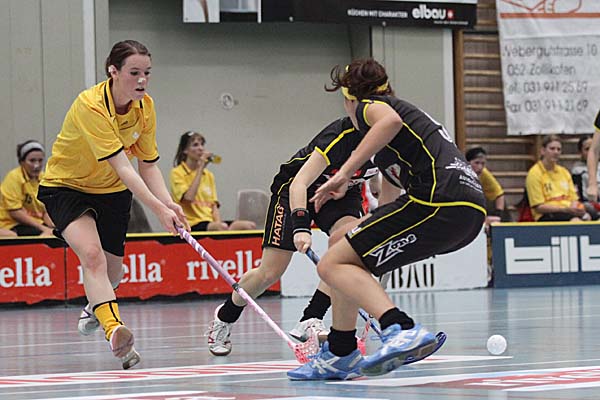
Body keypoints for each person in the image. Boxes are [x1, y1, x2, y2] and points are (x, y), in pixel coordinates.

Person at [287, 58, 486, 380]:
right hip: (465, 211)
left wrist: (345, 173)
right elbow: (388, 206)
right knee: (342, 247)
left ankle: (400, 328)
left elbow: (388, 121)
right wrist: (360, 234)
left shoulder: (372, 107)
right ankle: (340, 352)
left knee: (330, 265)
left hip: (439, 200)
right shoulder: (393, 149)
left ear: (349, 99)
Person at [37, 40, 188, 369]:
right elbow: (123, 166)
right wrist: (158, 210)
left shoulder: (145, 107)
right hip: (67, 187)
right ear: (113, 71)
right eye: (134, 72)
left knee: (113, 274)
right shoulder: (90, 105)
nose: (142, 80)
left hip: (112, 192)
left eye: (147, 72)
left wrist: (169, 203)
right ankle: (114, 330)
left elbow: (147, 165)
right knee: (92, 256)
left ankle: (96, 305)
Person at [205, 116, 378, 356]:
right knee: (269, 272)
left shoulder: (392, 139)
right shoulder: (340, 136)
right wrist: (300, 226)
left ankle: (311, 317)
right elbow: (299, 183)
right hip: (295, 189)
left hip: (341, 193)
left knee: (349, 252)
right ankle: (225, 317)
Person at [171, 131, 256, 232]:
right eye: (195, 145)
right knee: (222, 227)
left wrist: (218, 224)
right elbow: (188, 198)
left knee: (249, 226)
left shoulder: (208, 175)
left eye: (202, 145)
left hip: (209, 222)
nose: (200, 148)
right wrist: (200, 169)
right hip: (190, 224)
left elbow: (214, 205)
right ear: (185, 150)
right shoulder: (177, 173)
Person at [525, 135, 587, 222]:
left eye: (558, 149)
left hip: (567, 211)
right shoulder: (534, 174)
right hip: (547, 215)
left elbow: (574, 199)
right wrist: (564, 209)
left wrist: (579, 209)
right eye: (552, 149)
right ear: (543, 151)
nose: (556, 152)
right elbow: (539, 207)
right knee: (575, 221)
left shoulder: (564, 172)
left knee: (591, 214)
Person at [0, 140, 54, 236]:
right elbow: (15, 212)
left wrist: (54, 226)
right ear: (22, 162)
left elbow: (46, 210)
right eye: (32, 161)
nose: (36, 165)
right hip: (12, 224)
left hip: (36, 223)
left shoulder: (44, 178)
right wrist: (43, 229)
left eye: (40, 160)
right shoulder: (14, 178)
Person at [465, 146, 506, 224]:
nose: (480, 167)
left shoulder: (484, 174)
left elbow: (499, 195)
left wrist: (498, 216)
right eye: (476, 163)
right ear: (468, 163)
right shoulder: (461, 173)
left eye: (483, 163)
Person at [571, 135, 599, 219]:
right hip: (588, 204)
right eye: (587, 149)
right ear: (580, 152)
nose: (591, 152)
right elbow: (578, 195)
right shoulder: (577, 170)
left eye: (593, 148)